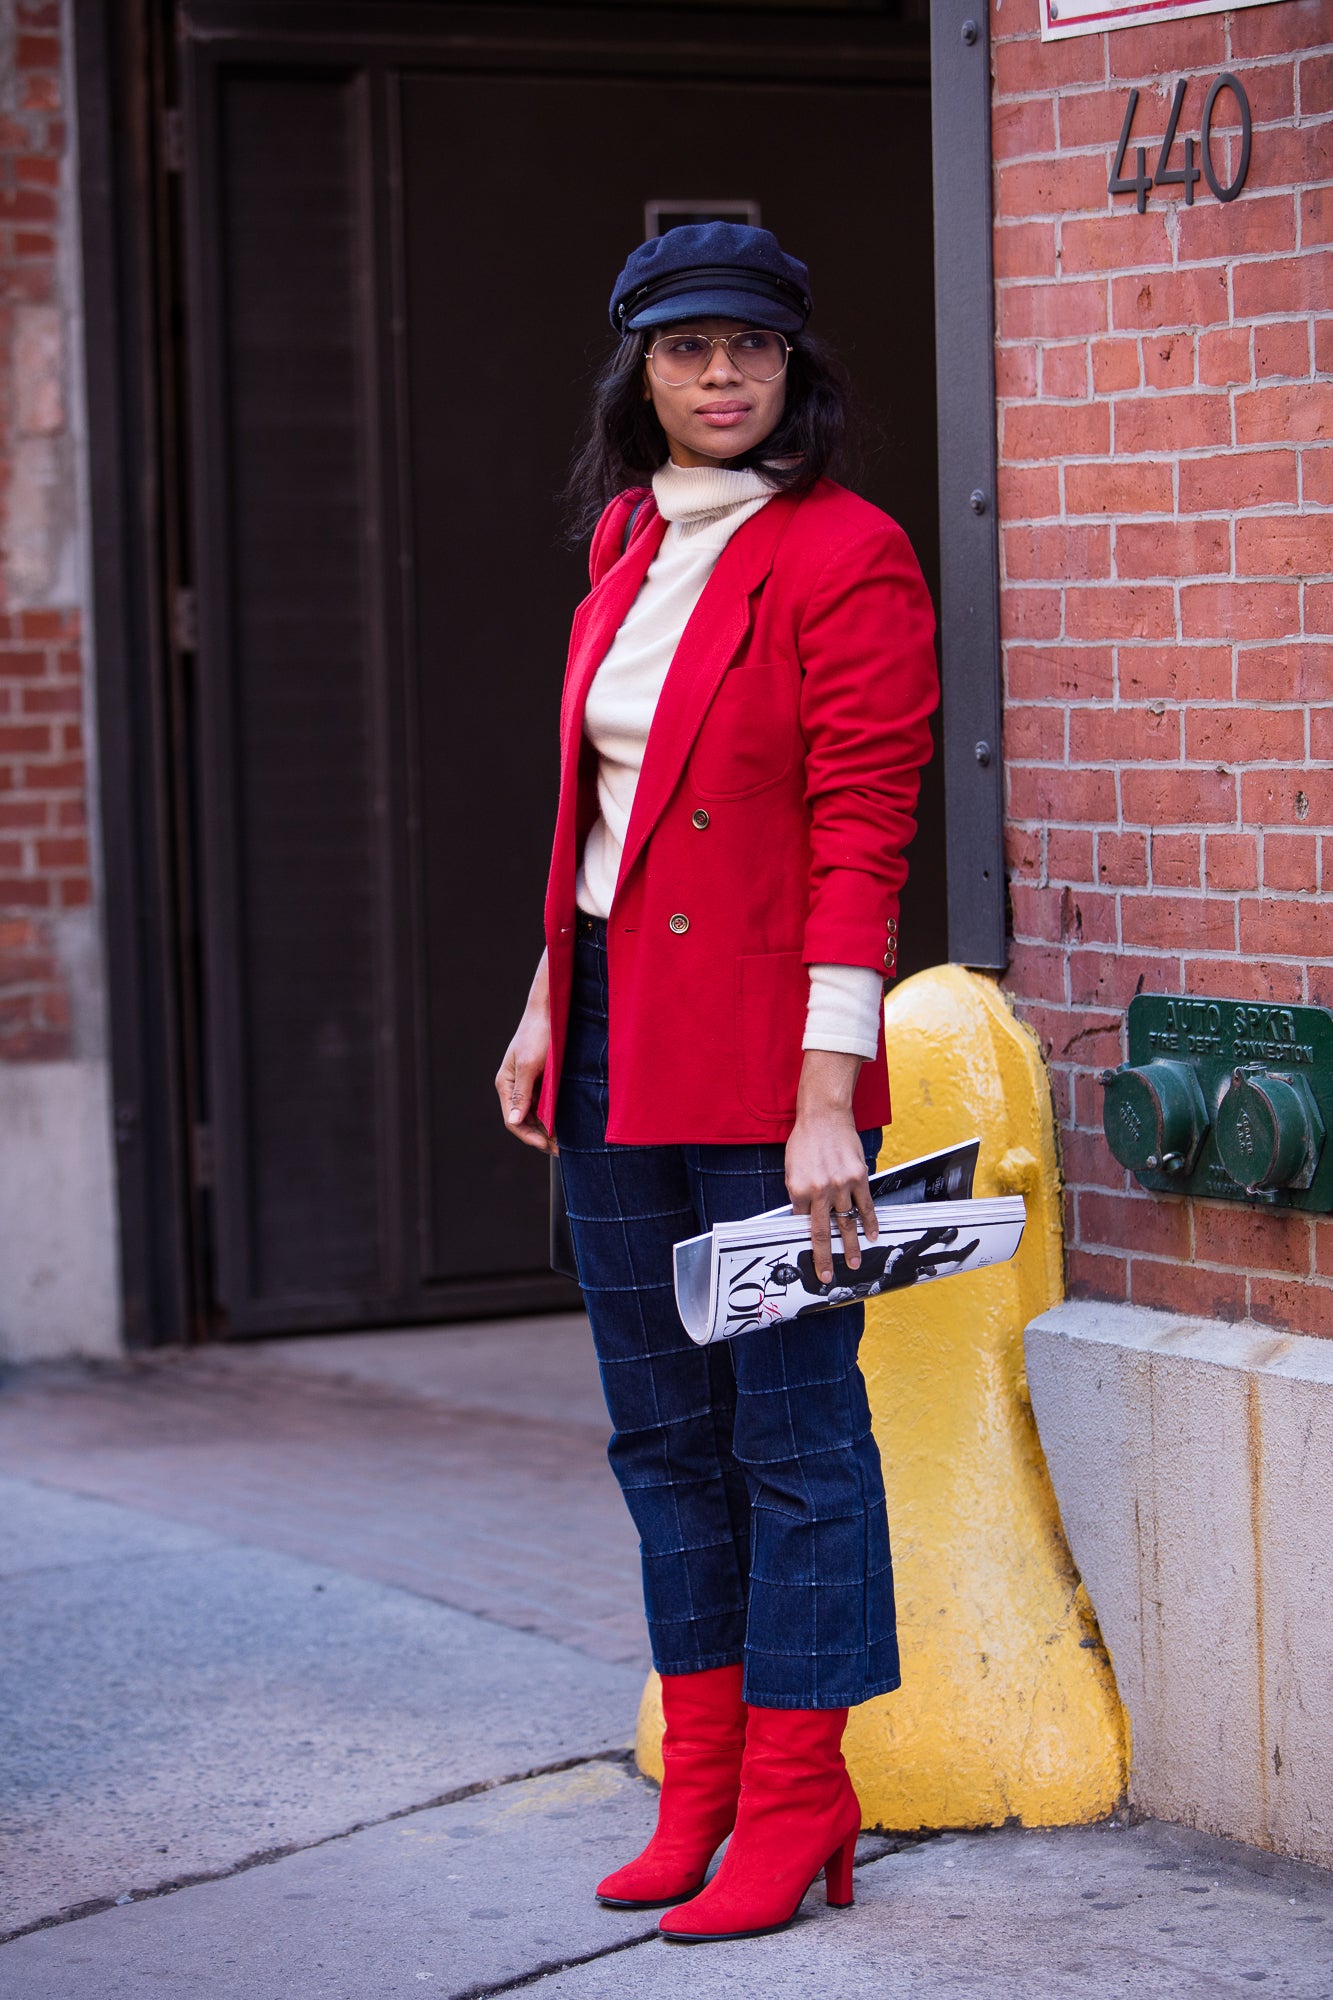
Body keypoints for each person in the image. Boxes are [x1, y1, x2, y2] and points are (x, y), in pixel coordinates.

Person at [495, 222, 938, 1944]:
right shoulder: (624, 539)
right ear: (645, 373)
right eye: (687, 349)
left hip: (766, 1062)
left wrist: (827, 1094)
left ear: (791, 364)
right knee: (659, 1429)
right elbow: (603, 815)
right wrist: (548, 996)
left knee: (793, 1430)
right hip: (616, 1033)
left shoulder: (847, 554)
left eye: (750, 345)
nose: (722, 374)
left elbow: (861, 838)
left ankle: (801, 1790)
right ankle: (700, 1786)